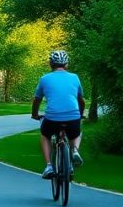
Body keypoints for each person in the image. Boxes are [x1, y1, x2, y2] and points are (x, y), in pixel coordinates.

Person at [31, 50, 86, 179]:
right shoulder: (74, 78)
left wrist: (34, 114)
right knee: (77, 133)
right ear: (66, 64)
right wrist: (80, 114)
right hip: (73, 116)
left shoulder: (44, 79)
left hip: (52, 118)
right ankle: (75, 150)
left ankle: (49, 166)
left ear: (51, 64)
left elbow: (37, 100)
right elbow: (81, 100)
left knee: (45, 135)